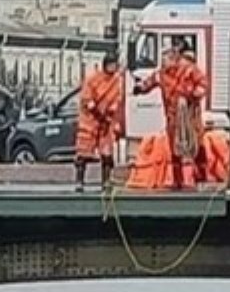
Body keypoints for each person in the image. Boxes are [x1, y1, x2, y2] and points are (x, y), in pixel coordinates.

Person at [136, 43, 208, 189]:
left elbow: (203, 85)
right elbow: (149, 83)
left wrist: (192, 95)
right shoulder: (161, 74)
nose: (164, 62)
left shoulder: (189, 70)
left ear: (174, 58)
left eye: (166, 59)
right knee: (175, 148)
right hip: (172, 116)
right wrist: (139, 88)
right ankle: (178, 180)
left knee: (195, 145)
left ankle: (200, 178)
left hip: (190, 115)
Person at [74, 53, 126, 192]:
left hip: (106, 121)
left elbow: (117, 100)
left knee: (107, 152)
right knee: (83, 152)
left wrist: (108, 116)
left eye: (115, 65)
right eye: (111, 65)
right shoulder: (92, 79)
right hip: (90, 119)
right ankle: (79, 181)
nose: (113, 68)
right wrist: (97, 113)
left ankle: (106, 181)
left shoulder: (116, 81)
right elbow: (86, 99)